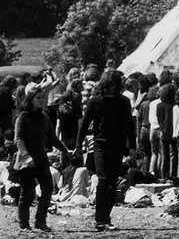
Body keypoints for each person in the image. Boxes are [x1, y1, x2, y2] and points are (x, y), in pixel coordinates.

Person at [75, 69, 137, 232]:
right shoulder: (95, 101)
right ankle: (99, 219)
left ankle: (106, 218)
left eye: (115, 85)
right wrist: (78, 146)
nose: (112, 88)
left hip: (117, 146)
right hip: (100, 144)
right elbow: (84, 124)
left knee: (112, 182)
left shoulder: (123, 101)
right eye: (110, 85)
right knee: (102, 180)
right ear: (105, 85)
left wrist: (132, 147)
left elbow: (130, 125)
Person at [15, 74, 67, 233]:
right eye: (38, 97)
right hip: (26, 161)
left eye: (43, 97)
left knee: (47, 189)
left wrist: (64, 149)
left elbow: (51, 137)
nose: (41, 99)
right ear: (30, 99)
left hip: (41, 159)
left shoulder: (44, 117)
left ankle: (40, 221)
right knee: (27, 193)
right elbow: (19, 139)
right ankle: (24, 224)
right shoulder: (22, 118)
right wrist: (26, 155)